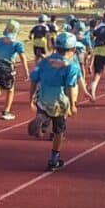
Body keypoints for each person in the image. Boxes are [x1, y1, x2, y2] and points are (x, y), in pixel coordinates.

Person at [28, 32, 81, 171]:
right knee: (59, 131)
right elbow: (70, 87)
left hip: (43, 97)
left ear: (55, 47)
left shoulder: (43, 61)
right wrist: (73, 105)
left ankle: (42, 120)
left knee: (45, 112)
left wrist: (31, 98)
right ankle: (54, 159)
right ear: (73, 49)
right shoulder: (71, 66)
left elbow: (34, 79)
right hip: (60, 100)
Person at [0, 19, 30, 120]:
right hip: (8, 66)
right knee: (10, 90)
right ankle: (6, 111)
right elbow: (23, 58)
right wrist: (26, 72)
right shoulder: (17, 44)